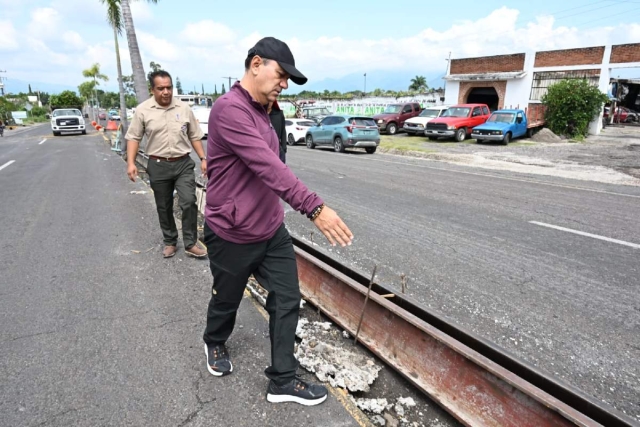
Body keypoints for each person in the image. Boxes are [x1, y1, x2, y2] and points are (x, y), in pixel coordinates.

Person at [202, 36, 353, 406]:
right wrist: (314, 207)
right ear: (257, 64)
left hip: (271, 230)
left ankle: (282, 380)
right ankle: (214, 340)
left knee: (287, 299)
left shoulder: (267, 109)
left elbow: (279, 161)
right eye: (281, 75)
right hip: (232, 233)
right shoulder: (229, 110)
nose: (283, 84)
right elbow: (267, 166)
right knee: (228, 299)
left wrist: (273, 108)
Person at [125, 70, 207, 259]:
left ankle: (190, 243)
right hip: (158, 164)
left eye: (169, 87)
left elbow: (194, 135)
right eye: (161, 88)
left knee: (188, 201)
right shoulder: (143, 110)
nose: (166, 92)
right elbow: (134, 137)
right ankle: (170, 241)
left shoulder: (183, 108)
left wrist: (203, 158)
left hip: (183, 164)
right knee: (164, 205)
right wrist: (130, 163)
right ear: (152, 89)